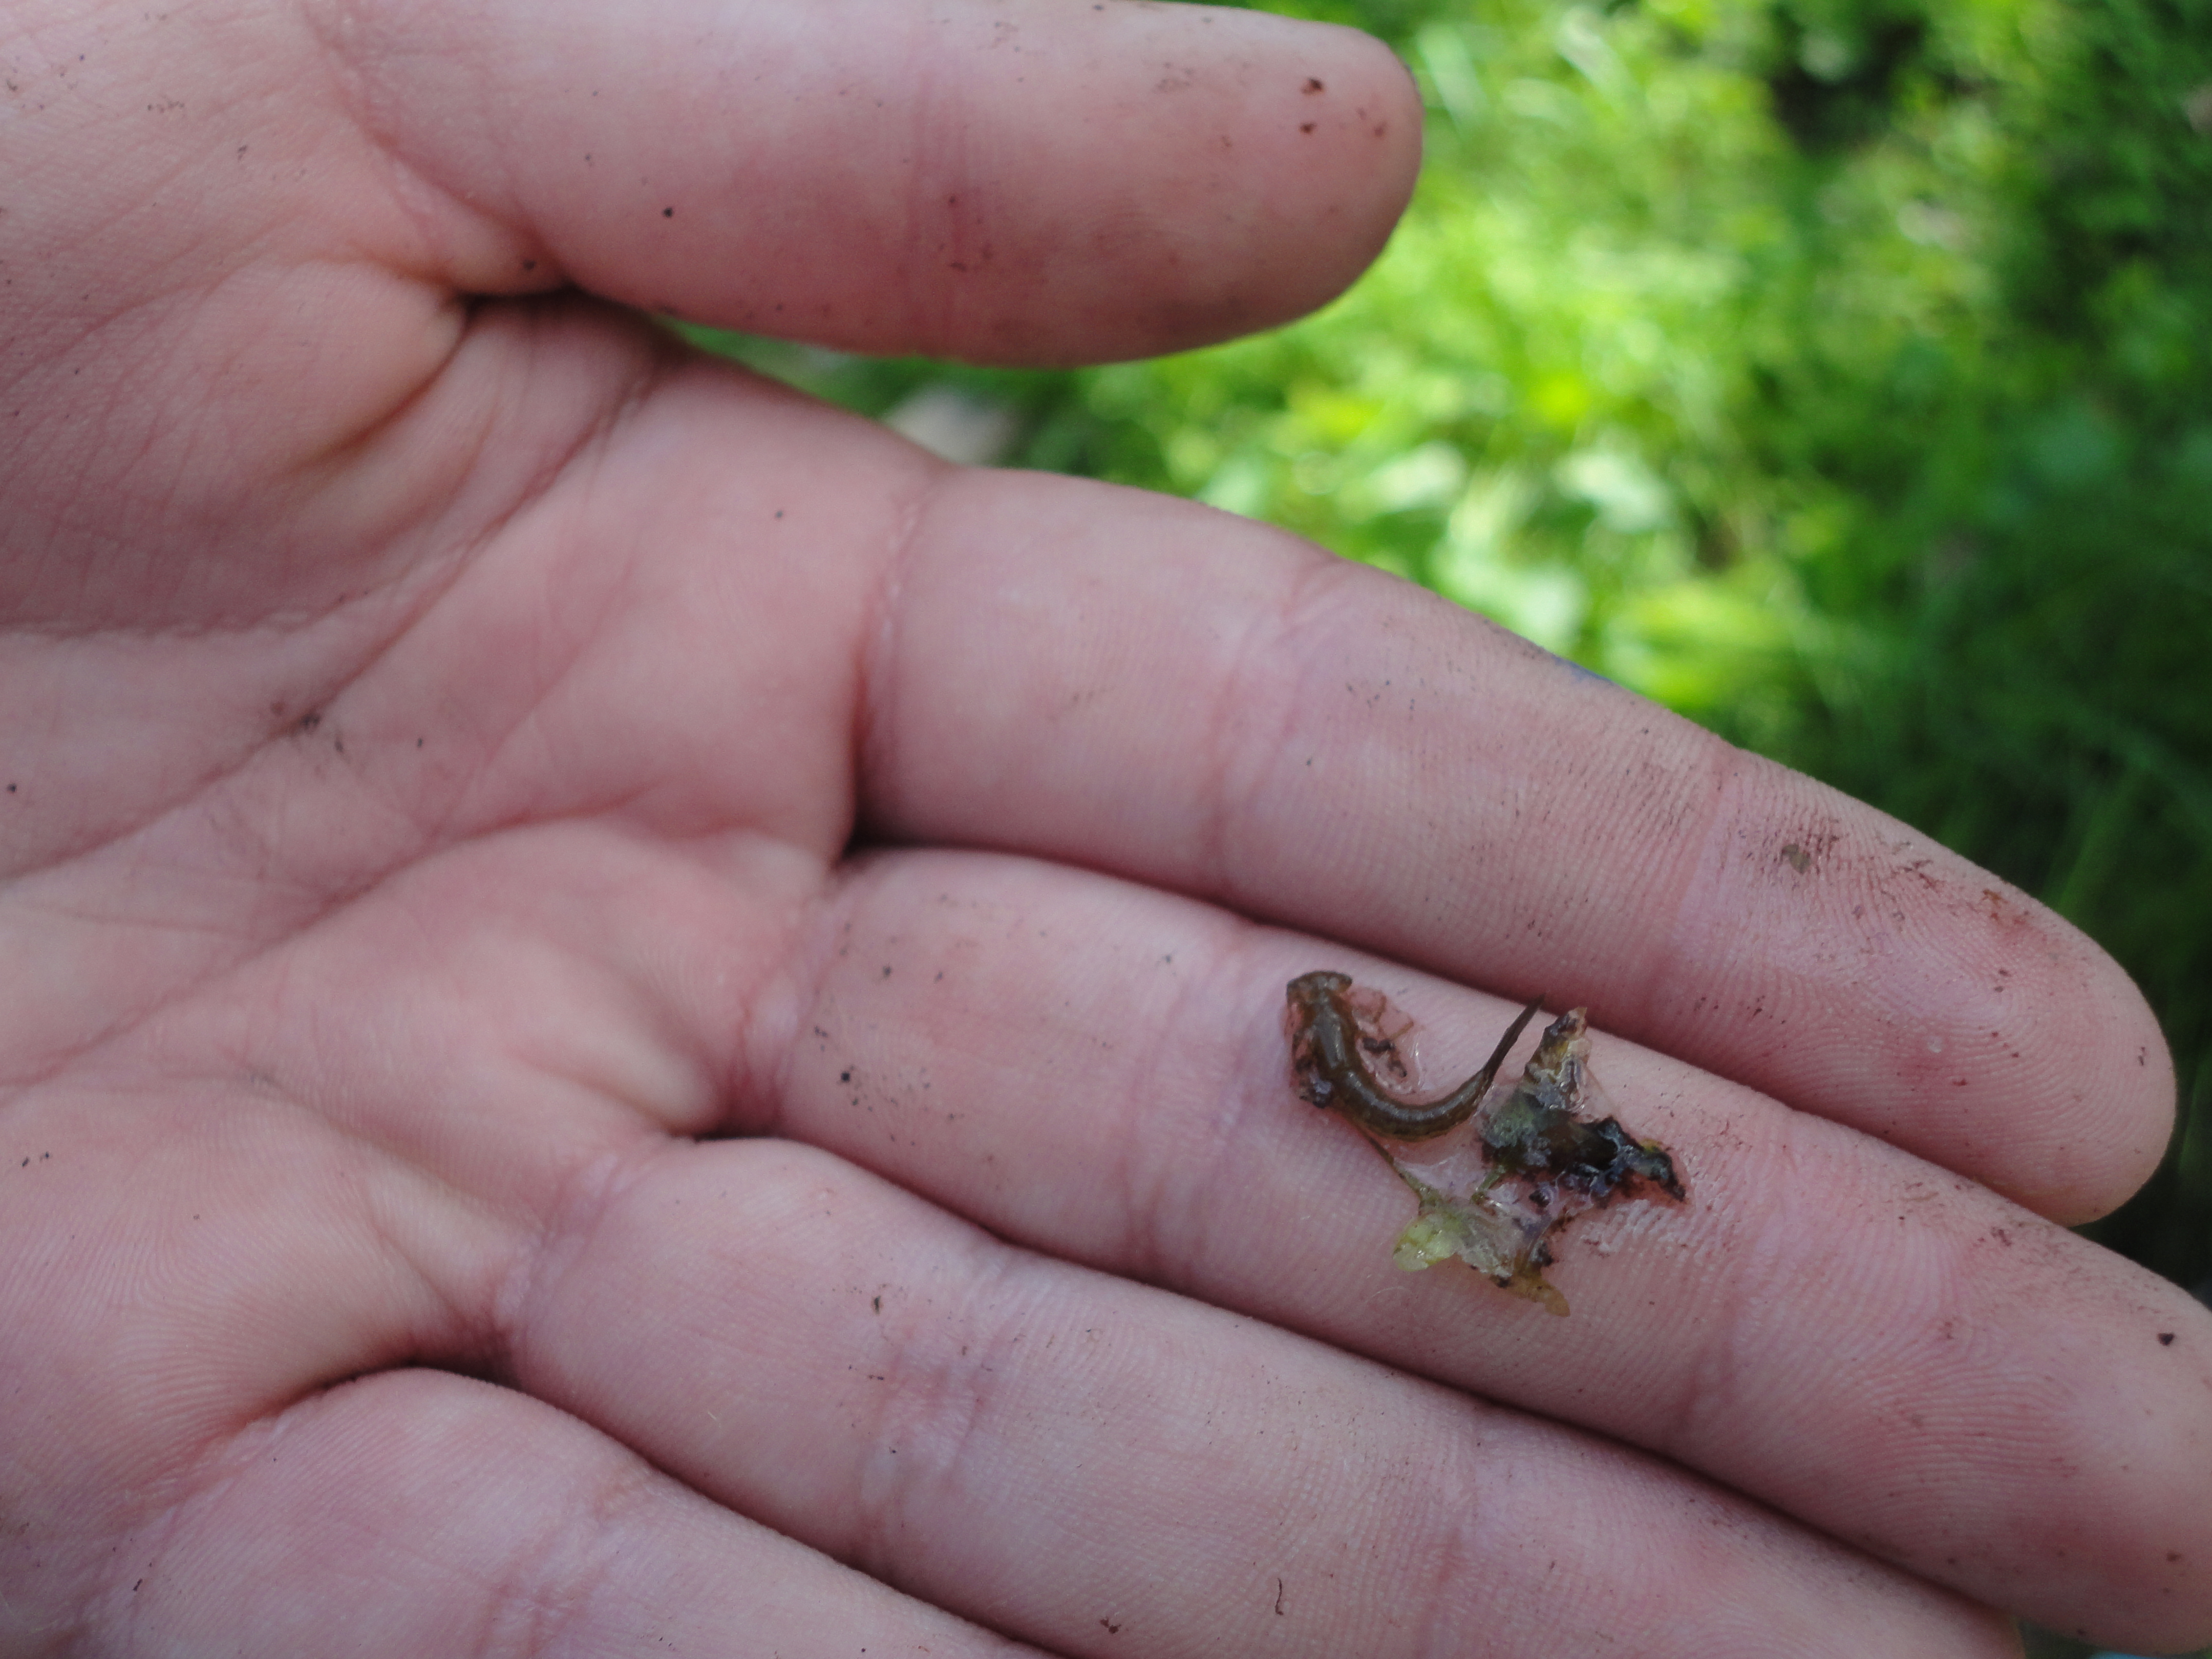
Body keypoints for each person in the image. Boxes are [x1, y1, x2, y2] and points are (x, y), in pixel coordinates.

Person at [2, 1, 2205, 1653]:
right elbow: (1349, 1080)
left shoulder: (1363, 1076)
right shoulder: (1360, 1073)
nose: (1347, 1024)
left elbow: (1352, 1083)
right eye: (1345, 1023)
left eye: (1345, 1024)